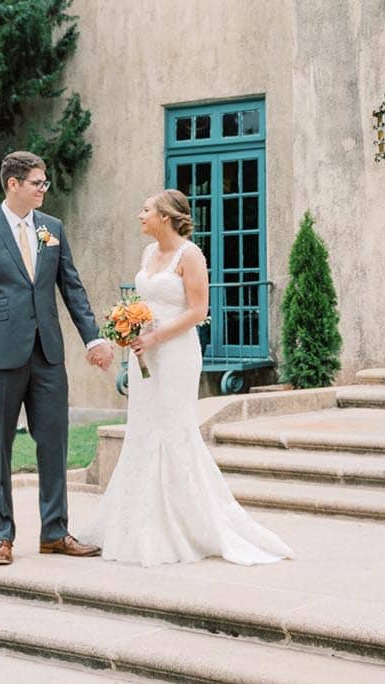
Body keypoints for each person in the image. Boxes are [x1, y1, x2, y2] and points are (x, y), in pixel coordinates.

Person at [74, 189, 293, 566]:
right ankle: (137, 523)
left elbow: (198, 311)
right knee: (143, 429)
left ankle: (188, 525)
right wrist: (128, 328)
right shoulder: (148, 253)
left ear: (166, 216)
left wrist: (156, 336)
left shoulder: (189, 255)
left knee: (173, 429)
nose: (140, 215)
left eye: (146, 210)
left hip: (175, 353)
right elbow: (145, 303)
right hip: (144, 353)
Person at [0, 150, 114, 567]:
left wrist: (93, 338)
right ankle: (1, 537)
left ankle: (55, 532)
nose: (43, 189)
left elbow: (71, 288)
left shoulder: (52, 229)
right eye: (36, 183)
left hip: (48, 355)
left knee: (54, 443)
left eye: (44, 183)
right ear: (13, 184)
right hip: (0, 359)